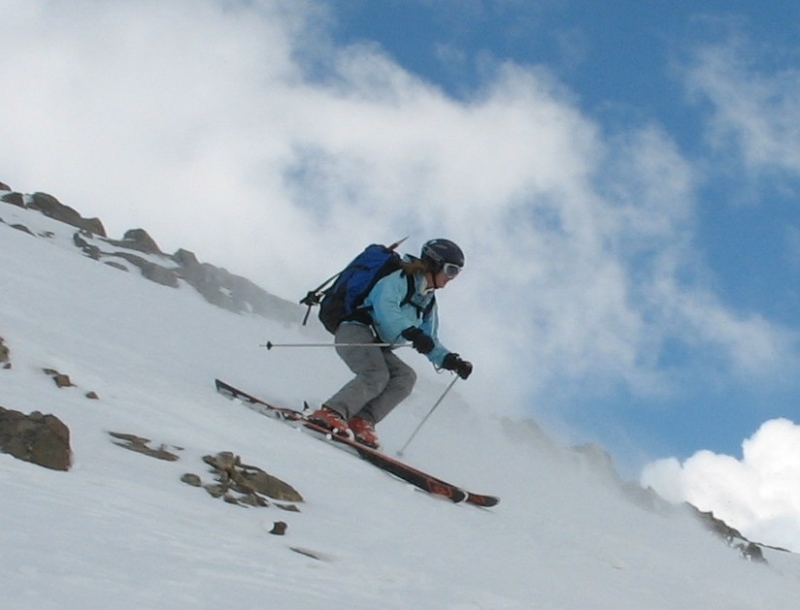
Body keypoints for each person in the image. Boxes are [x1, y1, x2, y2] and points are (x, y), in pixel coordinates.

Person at [309, 238, 473, 449]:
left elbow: (430, 338)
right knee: (376, 374)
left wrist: (450, 360)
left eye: (457, 273)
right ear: (435, 263)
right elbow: (386, 308)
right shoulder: (401, 279)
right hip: (354, 330)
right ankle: (331, 412)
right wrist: (411, 332)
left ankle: (362, 420)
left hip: (376, 344)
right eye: (451, 270)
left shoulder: (428, 301)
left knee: (405, 377)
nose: (452, 278)